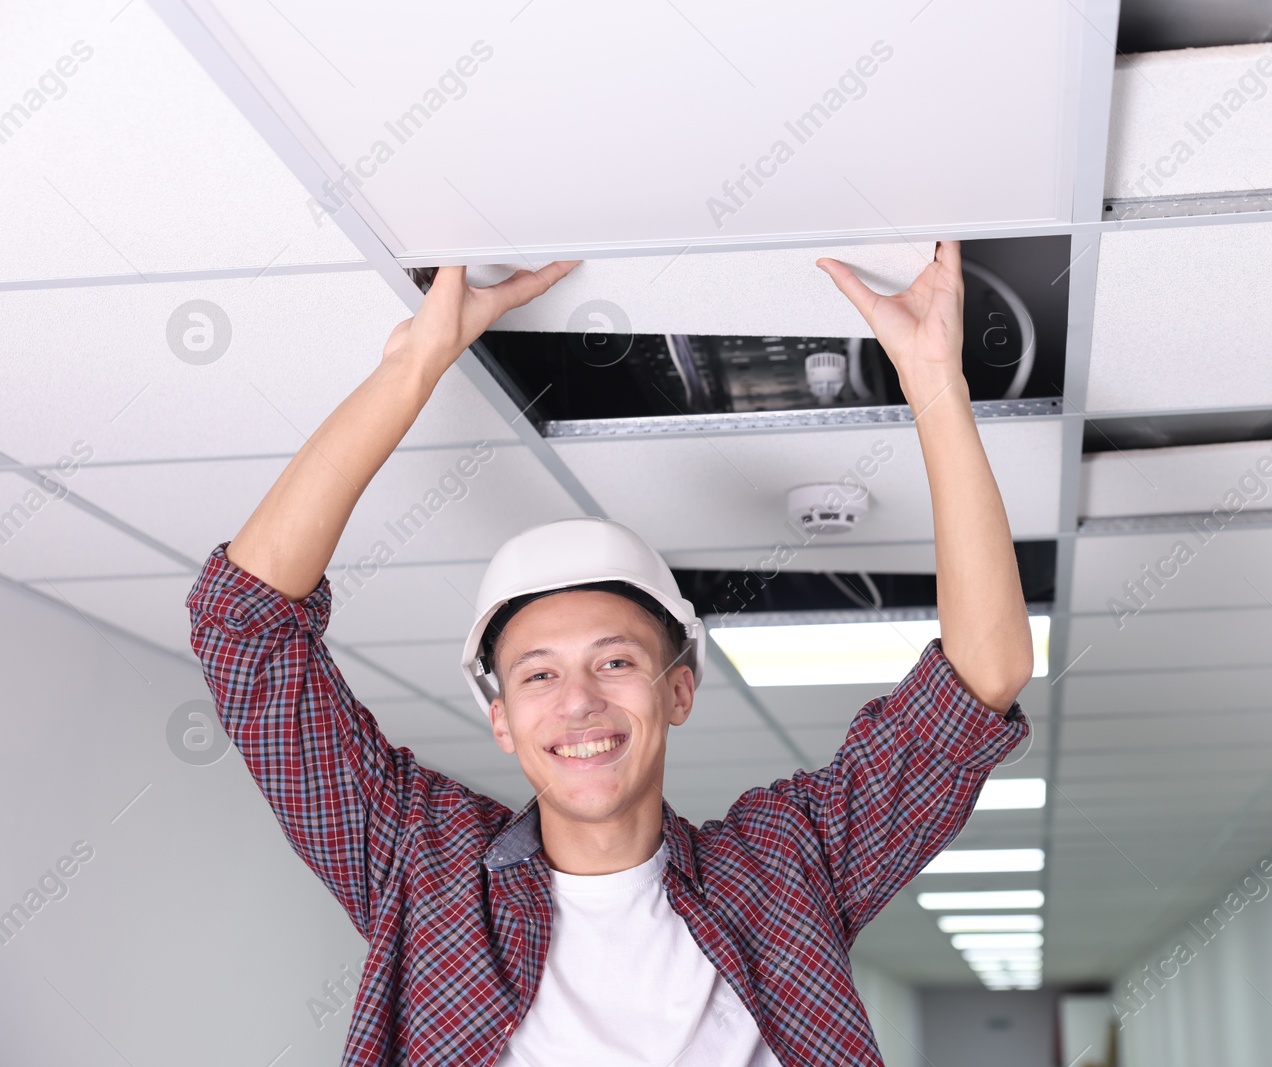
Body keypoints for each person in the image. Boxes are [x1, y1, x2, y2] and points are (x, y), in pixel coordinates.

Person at [187, 241, 1035, 1066]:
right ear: (503, 721)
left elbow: (979, 683)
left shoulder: (783, 875)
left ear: (679, 691)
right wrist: (412, 365)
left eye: (616, 661)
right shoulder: (424, 873)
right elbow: (244, 629)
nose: (579, 700)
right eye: (539, 674)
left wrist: (934, 385)